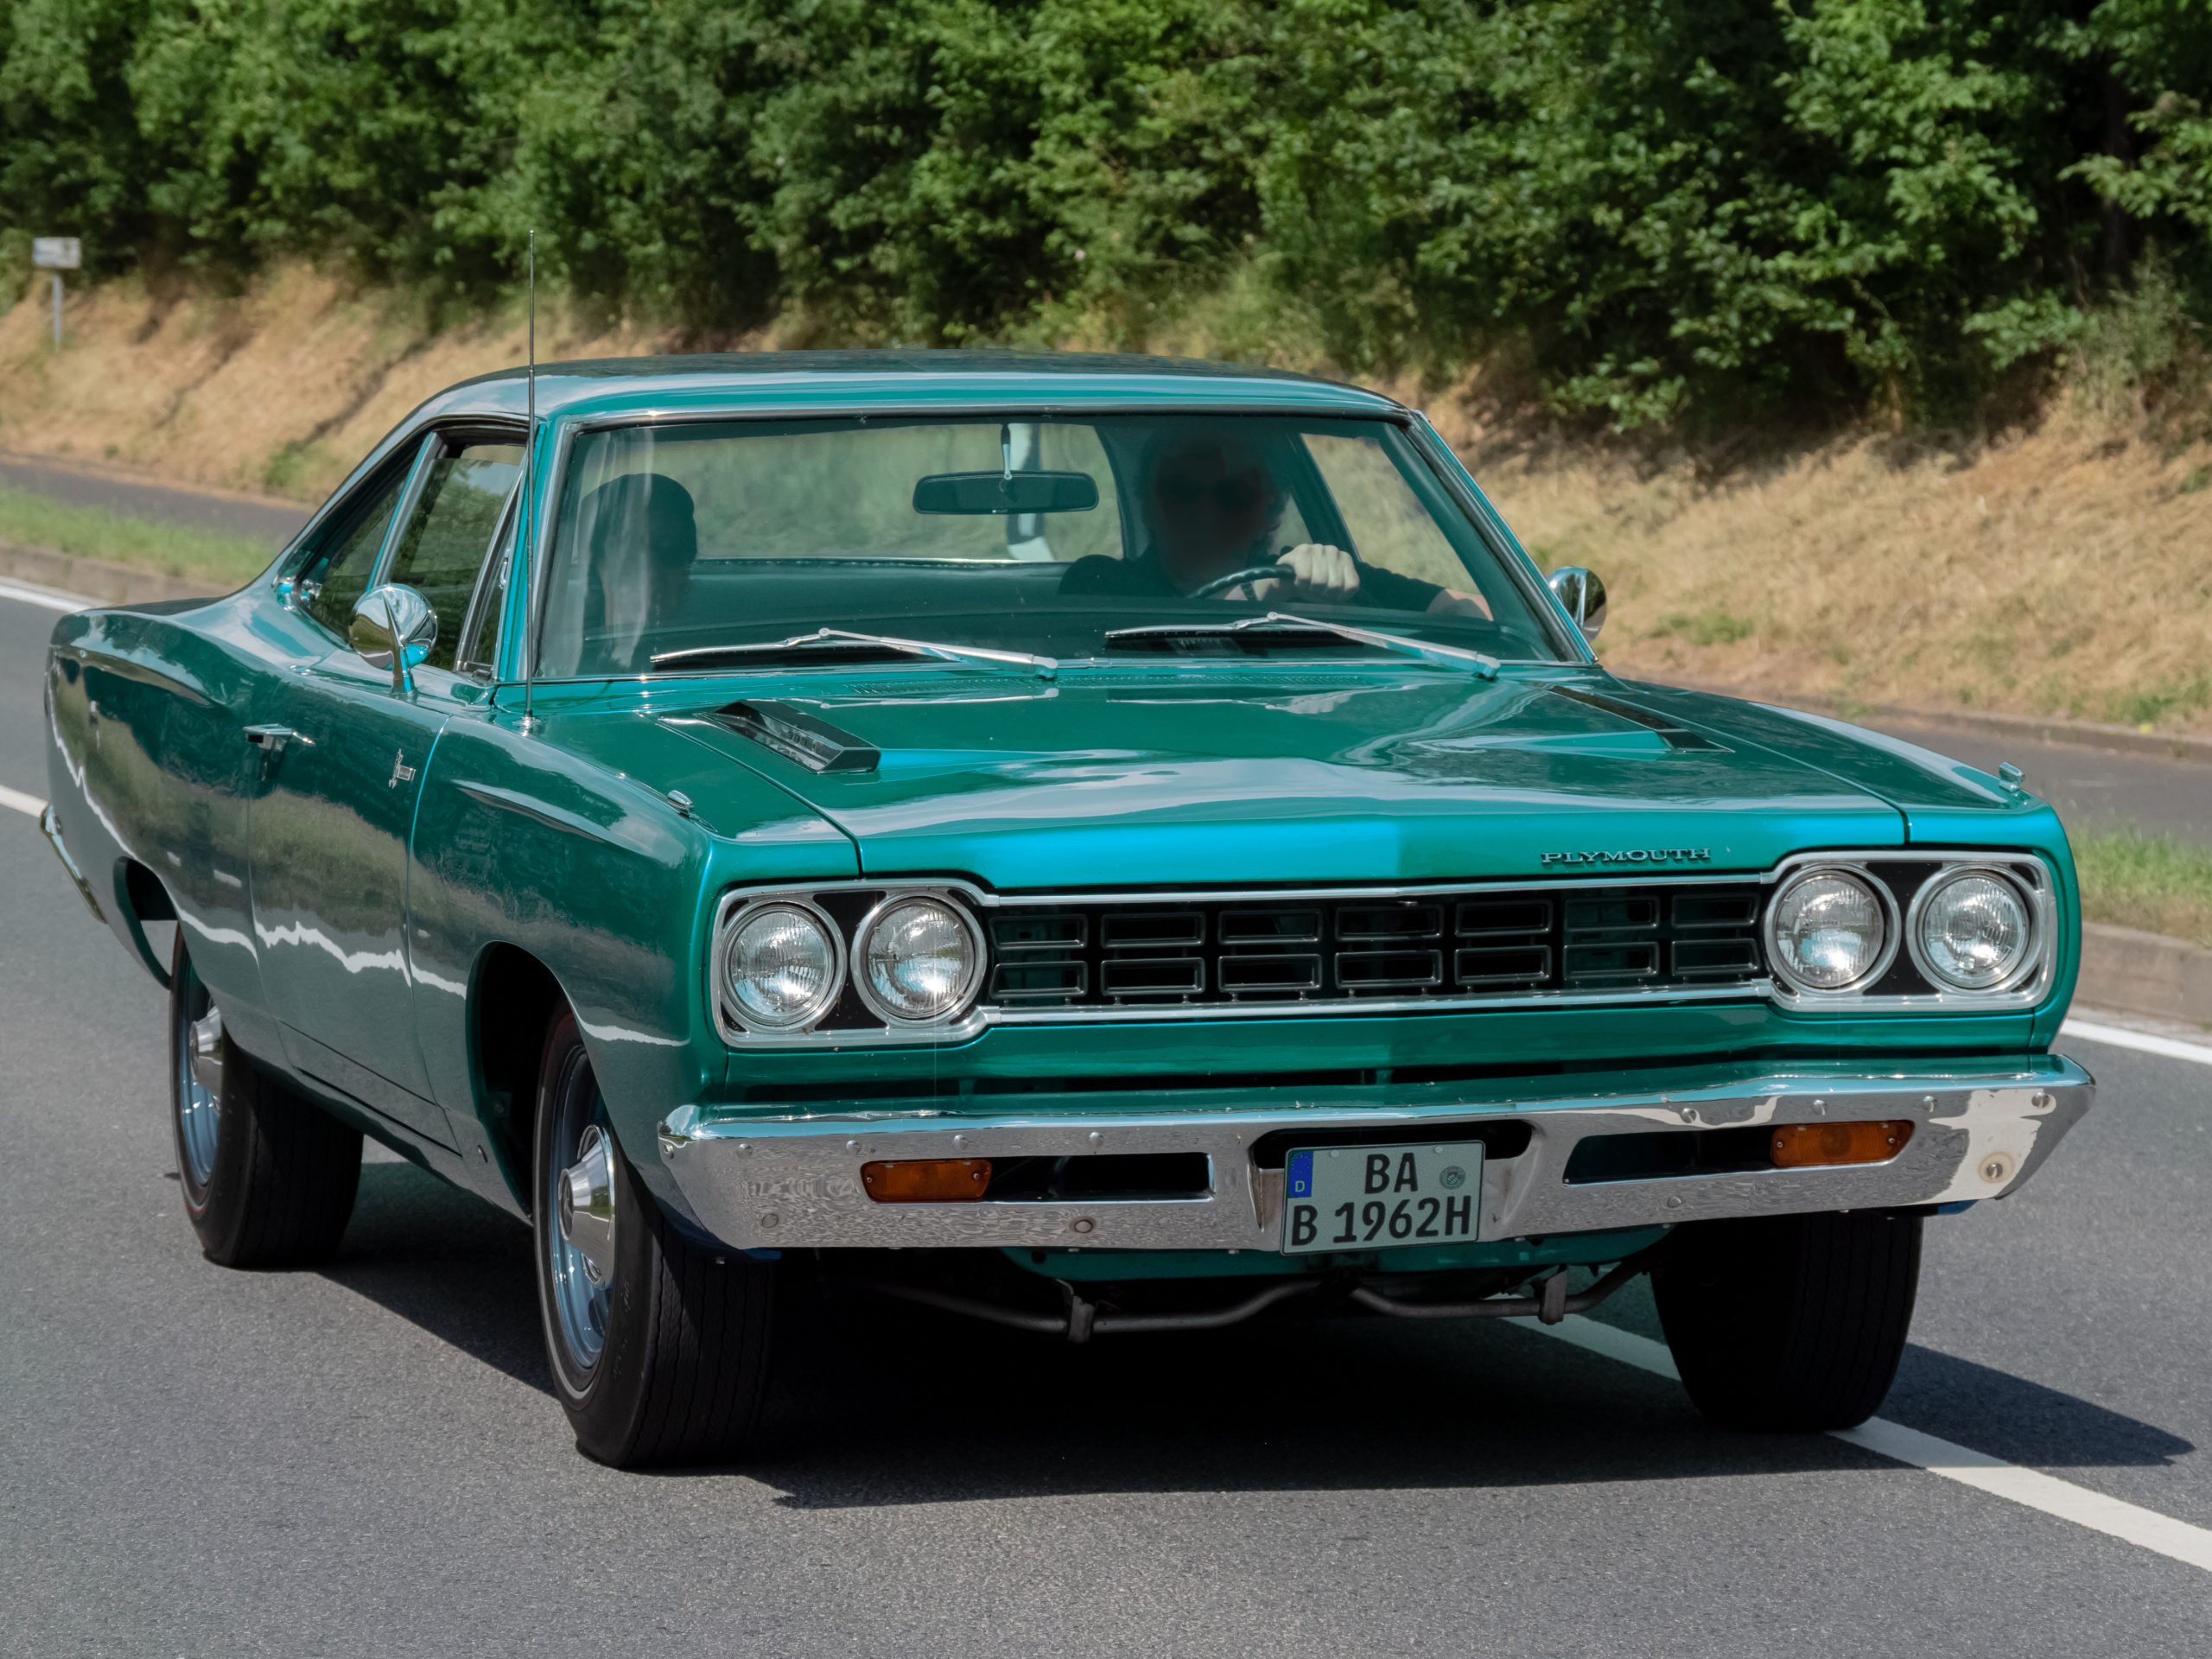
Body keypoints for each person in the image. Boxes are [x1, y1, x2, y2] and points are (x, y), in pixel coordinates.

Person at [1058, 428, 1487, 616]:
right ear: (1148, 503)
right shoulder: (1100, 583)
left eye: (1233, 496)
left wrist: (1340, 595)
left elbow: (1478, 616)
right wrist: (1265, 591)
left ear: (1272, 510)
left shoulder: (1310, 575)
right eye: (1181, 492)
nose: (1205, 513)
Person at [578, 472, 698, 674]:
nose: (651, 573)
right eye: (632, 557)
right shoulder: (550, 664)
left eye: (672, 551)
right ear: (597, 567)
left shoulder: (717, 658)